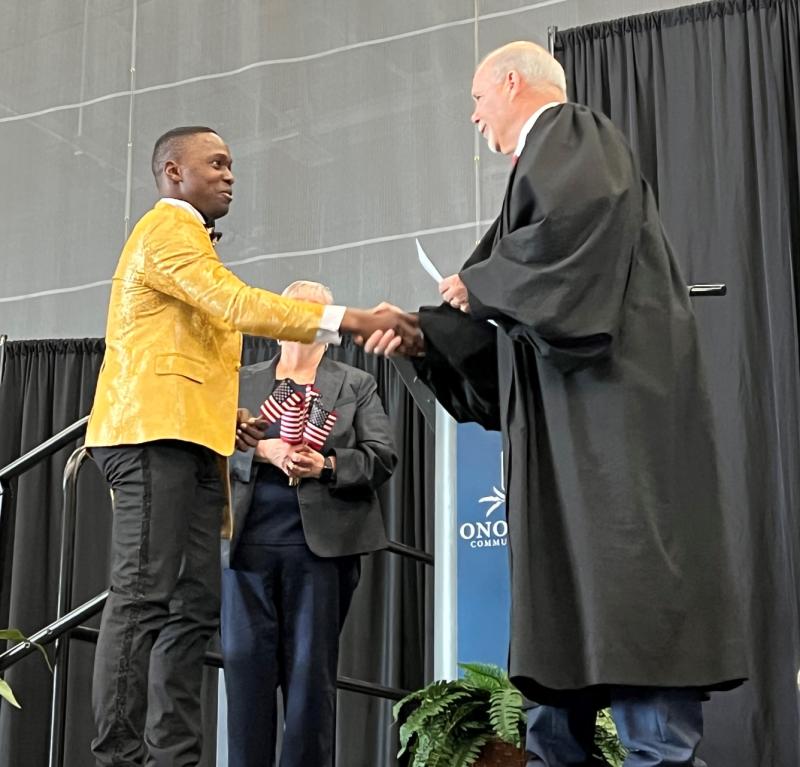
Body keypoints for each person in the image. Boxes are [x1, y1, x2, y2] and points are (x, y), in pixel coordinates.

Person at [367, 42, 746, 766]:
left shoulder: (571, 133)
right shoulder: (536, 178)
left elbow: (555, 263)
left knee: (642, 673)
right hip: (574, 455)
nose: (475, 117)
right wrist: (426, 337)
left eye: (477, 99)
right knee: (558, 673)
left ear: (511, 82)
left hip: (615, 443)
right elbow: (514, 322)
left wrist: (483, 288)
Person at [84, 126, 417, 767]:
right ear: (174, 172)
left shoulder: (193, 245)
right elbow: (233, 305)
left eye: (232, 163)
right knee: (143, 597)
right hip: (152, 436)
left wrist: (224, 415)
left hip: (193, 439)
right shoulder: (166, 229)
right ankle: (119, 757)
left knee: (193, 606)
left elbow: (185, 346)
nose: (230, 174)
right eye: (216, 163)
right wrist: (347, 318)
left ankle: (173, 756)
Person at [220, 279, 396, 767]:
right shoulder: (240, 381)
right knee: (244, 672)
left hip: (321, 554)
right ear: (275, 325)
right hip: (246, 548)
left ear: (328, 329)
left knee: (309, 681)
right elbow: (212, 448)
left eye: (314, 319)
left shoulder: (355, 384)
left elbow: (382, 458)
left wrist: (327, 465)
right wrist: (261, 451)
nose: (301, 327)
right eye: (292, 317)